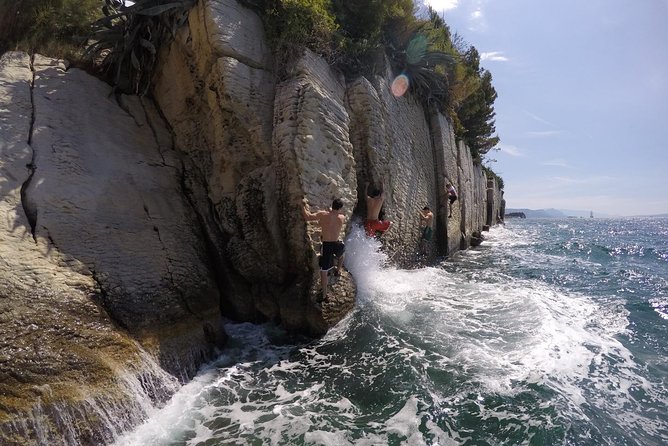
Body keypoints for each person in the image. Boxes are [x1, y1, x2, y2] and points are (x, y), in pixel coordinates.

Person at [303, 198, 346, 302]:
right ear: (340, 208)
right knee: (342, 252)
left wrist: (302, 206)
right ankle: (338, 270)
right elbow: (334, 215)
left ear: (332, 205)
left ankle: (324, 295)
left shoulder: (323, 214)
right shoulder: (342, 217)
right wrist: (332, 211)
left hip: (327, 245)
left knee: (324, 271)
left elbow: (308, 217)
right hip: (337, 244)